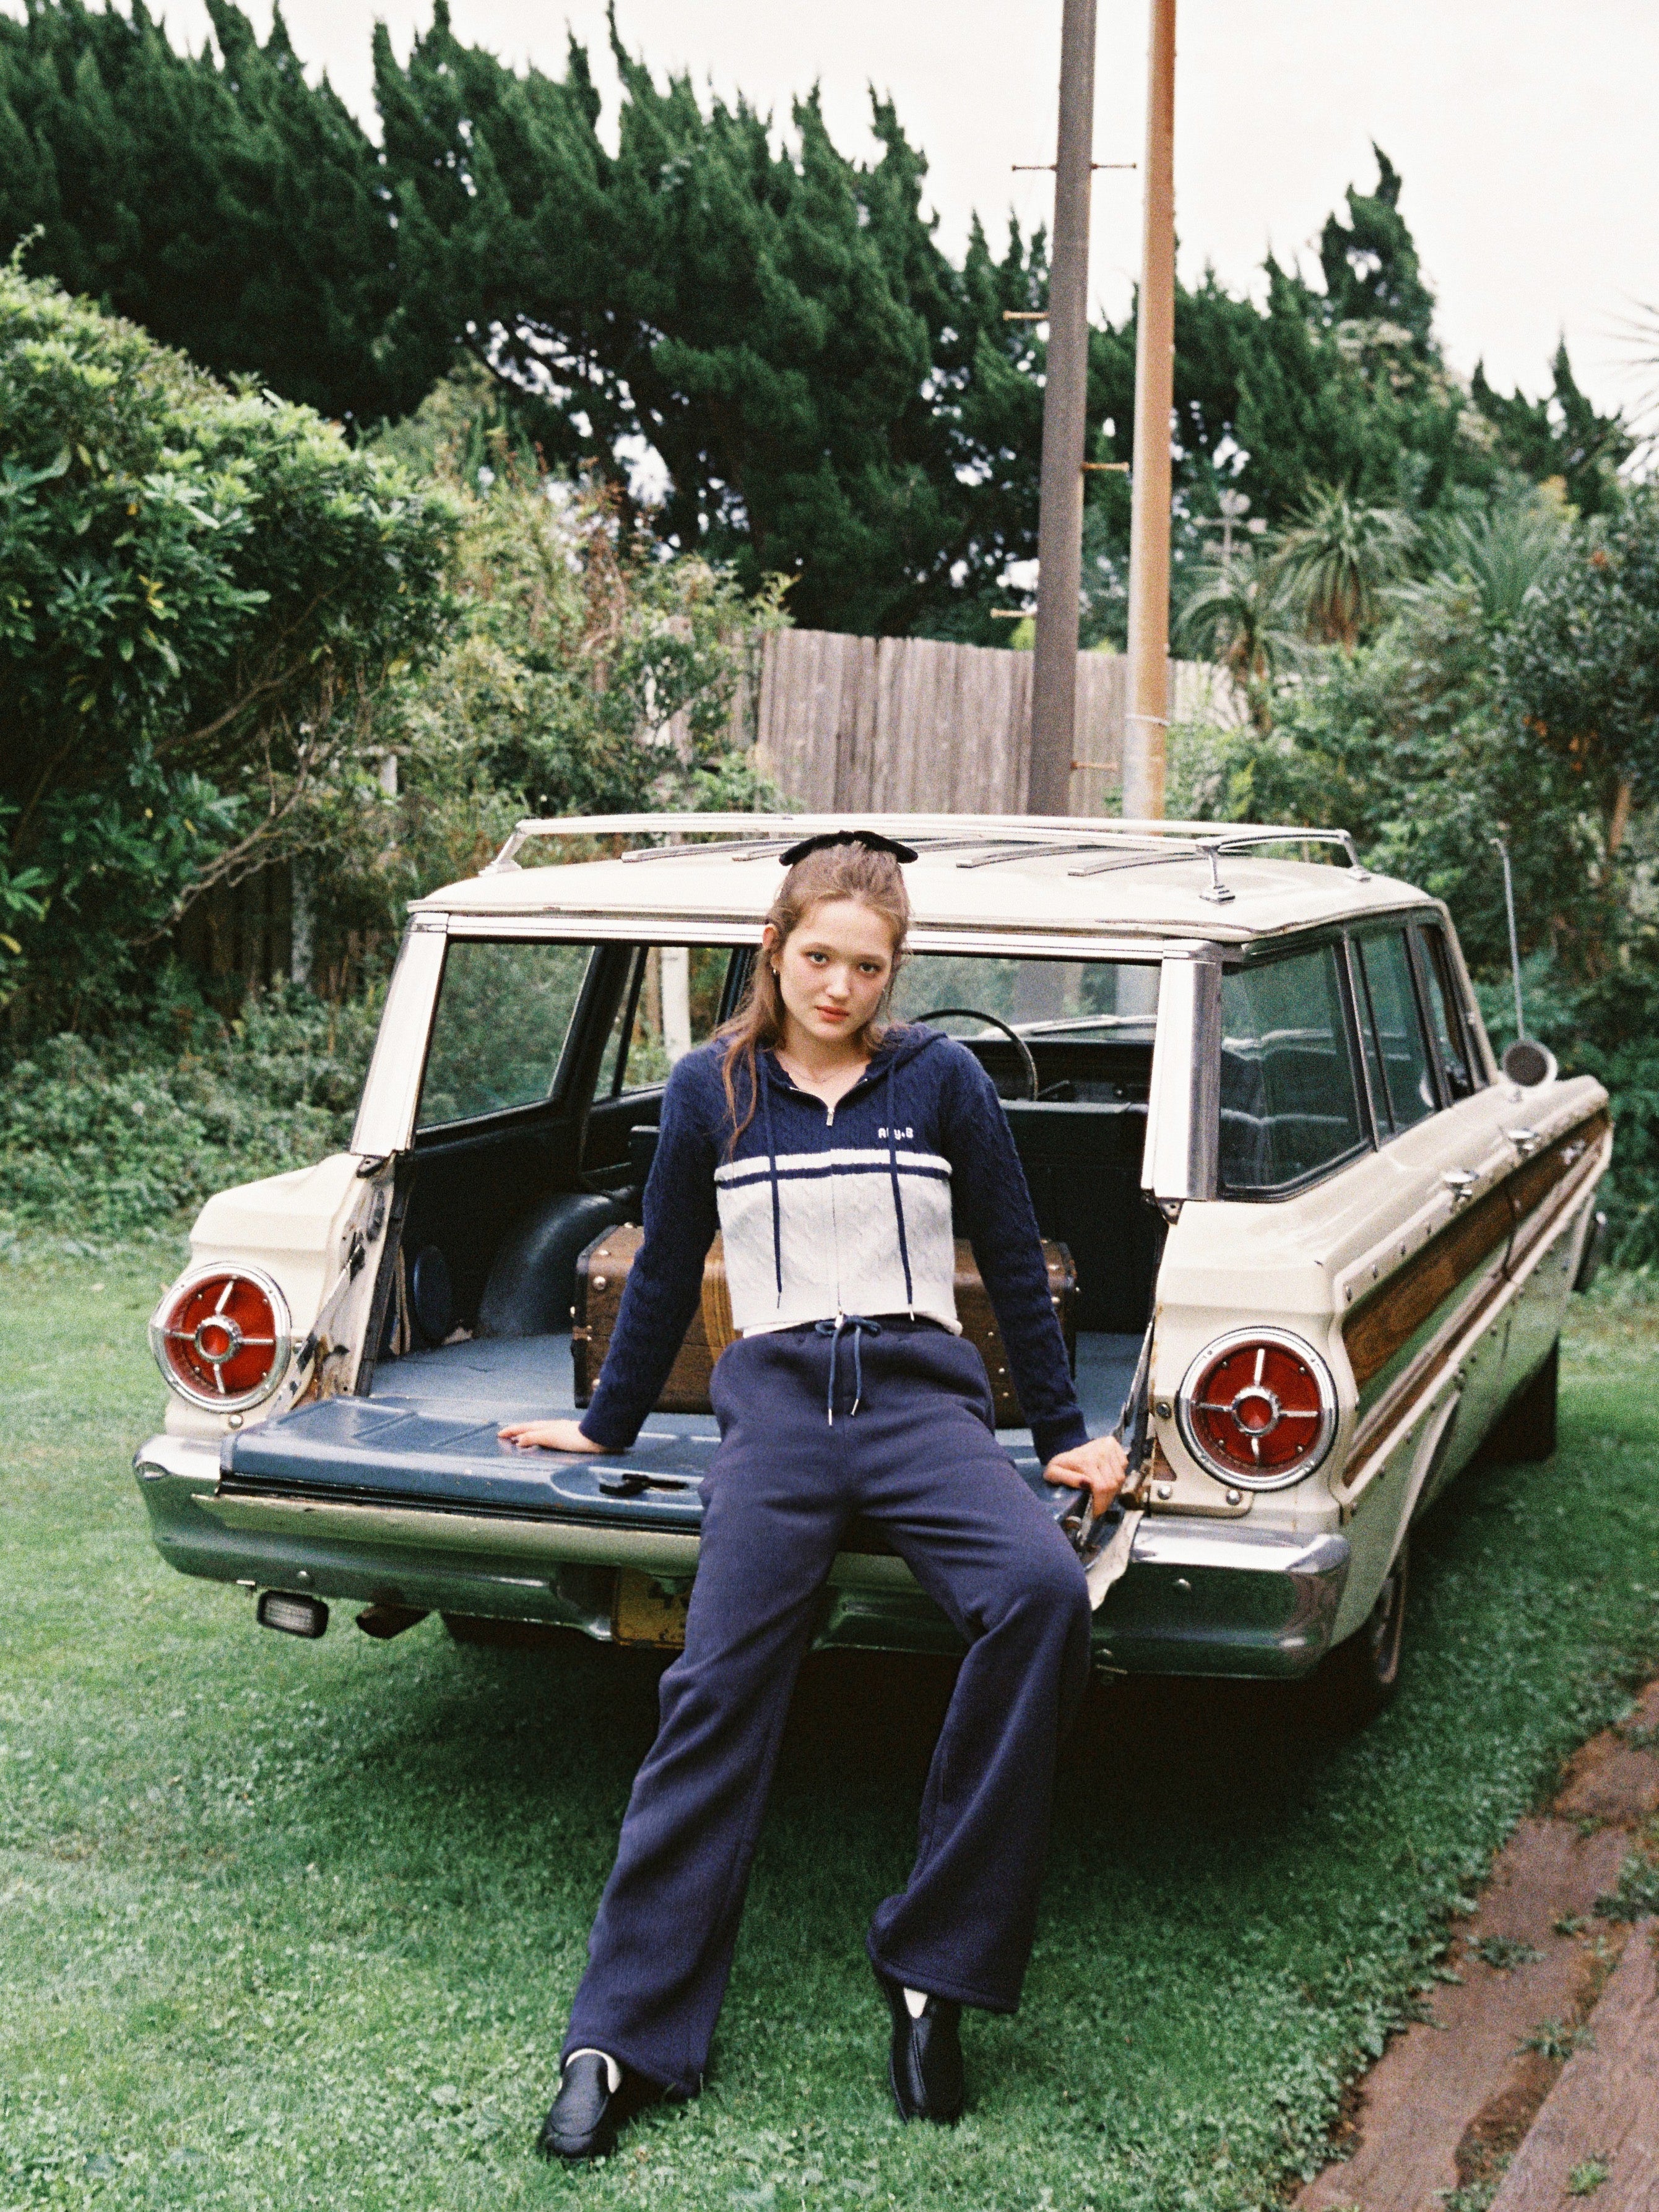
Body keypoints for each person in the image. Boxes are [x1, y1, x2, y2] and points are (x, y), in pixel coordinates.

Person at [500, 829, 1127, 2160]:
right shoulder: (709, 1088)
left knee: (1038, 1595)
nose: (839, 986)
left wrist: (1066, 1433)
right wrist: (603, 1420)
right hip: (779, 1414)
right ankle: (620, 2036)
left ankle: (932, 1968)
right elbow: (664, 1265)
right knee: (714, 1687)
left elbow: (1015, 1258)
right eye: (818, 957)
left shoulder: (941, 1078)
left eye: (868, 966)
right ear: (773, 948)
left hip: (920, 1406)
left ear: (895, 970)